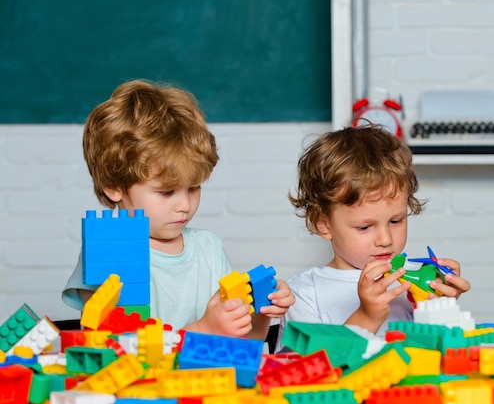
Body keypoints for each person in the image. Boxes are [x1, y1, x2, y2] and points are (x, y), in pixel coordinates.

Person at [62, 79, 294, 339]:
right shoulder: (106, 253)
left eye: (194, 188)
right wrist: (203, 329)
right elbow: (114, 350)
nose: (185, 205)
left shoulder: (208, 249)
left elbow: (243, 348)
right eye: (167, 192)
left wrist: (260, 311)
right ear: (113, 186)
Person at [278, 125, 471, 347]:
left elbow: (439, 357)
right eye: (364, 227)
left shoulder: (409, 281)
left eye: (396, 221)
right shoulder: (303, 293)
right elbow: (306, 371)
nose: (385, 239)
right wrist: (367, 316)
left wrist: (440, 309)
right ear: (323, 224)